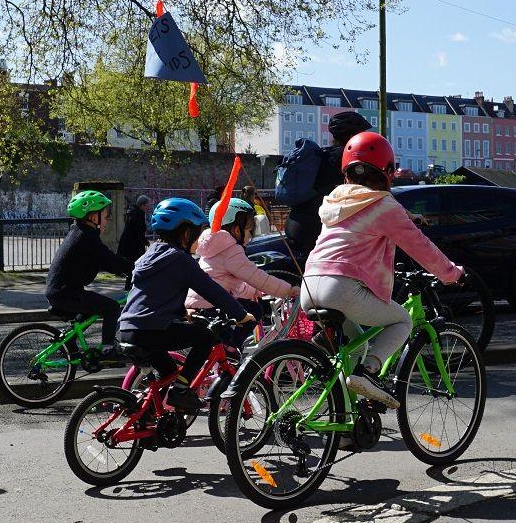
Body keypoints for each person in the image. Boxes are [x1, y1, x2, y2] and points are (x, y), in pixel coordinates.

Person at [300, 130, 463, 409]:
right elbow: (420, 247)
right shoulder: (384, 205)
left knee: (356, 346)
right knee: (401, 321)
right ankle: (369, 373)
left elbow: (366, 211)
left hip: (310, 286)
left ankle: (344, 423)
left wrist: (408, 216)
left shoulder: (336, 202)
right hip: (342, 287)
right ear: (387, 170)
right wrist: (451, 274)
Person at [119, 198, 255, 408]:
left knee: (169, 372)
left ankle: (150, 418)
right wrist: (241, 315)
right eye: (197, 232)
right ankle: (182, 391)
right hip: (152, 329)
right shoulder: (180, 260)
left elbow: (156, 293)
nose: (199, 239)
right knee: (206, 337)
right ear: (185, 233)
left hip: (128, 328)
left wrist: (183, 313)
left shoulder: (148, 256)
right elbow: (212, 291)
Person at [187, 198, 300, 328]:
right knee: (254, 310)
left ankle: (227, 345)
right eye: (248, 231)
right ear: (236, 230)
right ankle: (232, 345)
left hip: (199, 303)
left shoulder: (214, 246)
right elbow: (257, 277)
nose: (249, 236)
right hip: (212, 306)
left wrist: (252, 291)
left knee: (248, 307)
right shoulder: (231, 250)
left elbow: (233, 283)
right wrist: (288, 290)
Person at [284, 109, 372, 266]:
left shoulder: (324, 156)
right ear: (352, 136)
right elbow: (366, 195)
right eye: (362, 134)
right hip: (313, 230)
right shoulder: (346, 162)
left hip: (297, 224)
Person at [45, 191, 132, 350]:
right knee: (111, 307)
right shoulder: (87, 237)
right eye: (105, 216)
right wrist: (134, 267)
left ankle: (70, 340)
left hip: (61, 291)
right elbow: (108, 259)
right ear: (93, 217)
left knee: (91, 309)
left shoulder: (78, 232)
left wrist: (122, 267)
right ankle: (108, 348)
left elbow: (102, 261)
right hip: (67, 294)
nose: (107, 221)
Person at [117, 196, 151, 261]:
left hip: (126, 245)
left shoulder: (132, 212)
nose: (148, 207)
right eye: (147, 205)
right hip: (133, 247)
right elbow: (139, 232)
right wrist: (145, 242)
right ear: (142, 205)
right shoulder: (139, 215)